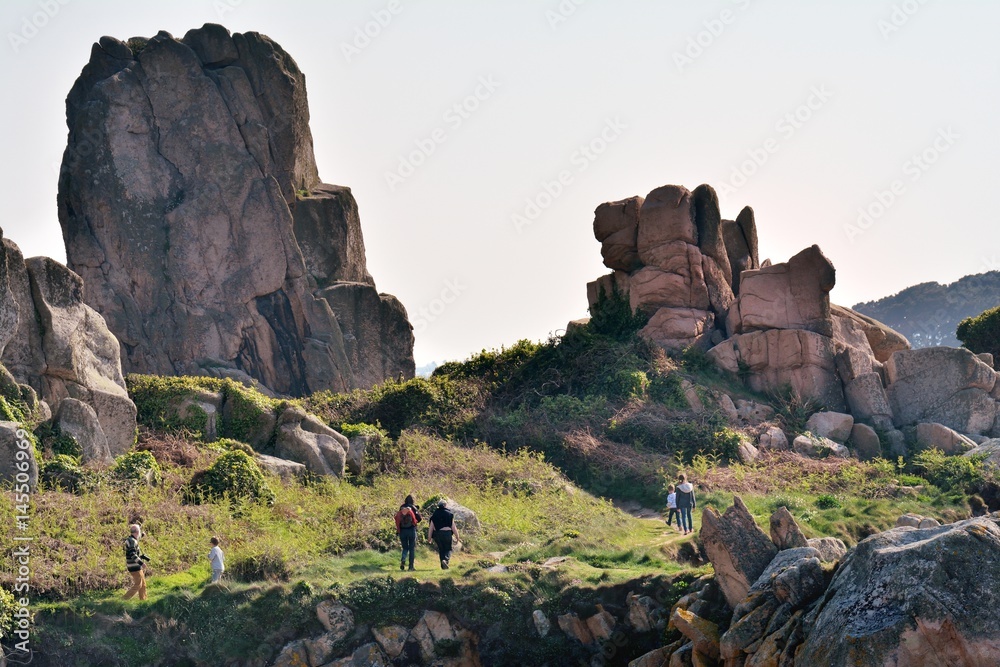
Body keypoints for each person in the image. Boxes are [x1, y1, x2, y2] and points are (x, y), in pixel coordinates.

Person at [427, 500, 459, 569]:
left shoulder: (434, 515)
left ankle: (443, 565)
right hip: (447, 533)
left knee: (441, 549)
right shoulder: (449, 514)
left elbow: (431, 527)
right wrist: (457, 537)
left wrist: (429, 538)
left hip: (438, 534)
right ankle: (446, 560)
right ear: (445, 505)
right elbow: (453, 527)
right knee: (448, 549)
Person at [394, 494, 421, 571]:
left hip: (402, 531)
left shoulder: (401, 508)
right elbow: (419, 518)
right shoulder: (413, 507)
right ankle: (411, 567)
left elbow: (398, 519)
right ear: (412, 501)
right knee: (411, 548)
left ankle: (403, 559)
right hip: (411, 530)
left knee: (405, 547)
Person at [123, 524, 149, 600]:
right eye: (139, 531)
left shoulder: (131, 539)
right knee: (138, 585)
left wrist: (142, 535)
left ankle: (143, 601)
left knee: (143, 584)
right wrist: (141, 563)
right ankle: (124, 599)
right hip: (134, 567)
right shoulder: (132, 541)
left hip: (135, 566)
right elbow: (132, 554)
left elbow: (136, 540)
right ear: (137, 532)